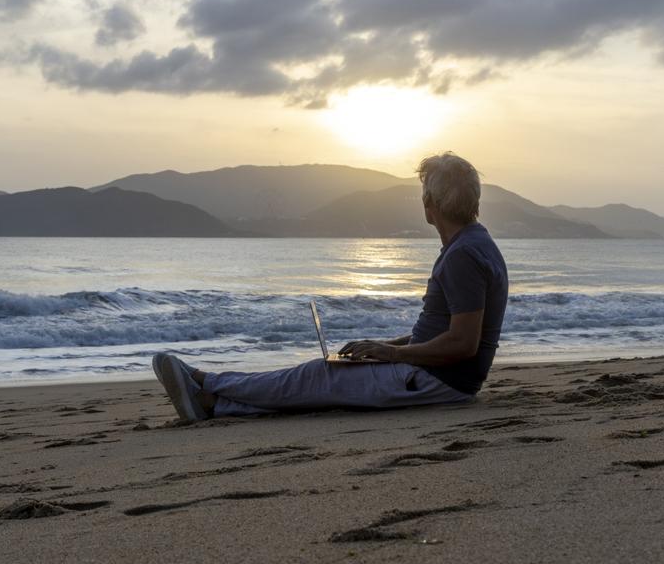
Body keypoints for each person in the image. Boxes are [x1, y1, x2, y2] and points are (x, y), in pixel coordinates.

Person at [152, 152, 509, 421]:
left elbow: (463, 343)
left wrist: (394, 354)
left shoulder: (463, 255)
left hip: (437, 381)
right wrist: (385, 346)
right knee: (322, 381)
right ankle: (212, 404)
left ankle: (203, 380)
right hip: (434, 374)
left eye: (423, 193)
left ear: (431, 202)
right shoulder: (471, 244)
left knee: (317, 376)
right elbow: (442, 331)